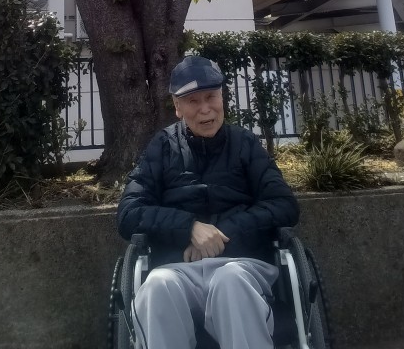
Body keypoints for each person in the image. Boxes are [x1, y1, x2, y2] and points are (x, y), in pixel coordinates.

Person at [117, 55, 299, 349]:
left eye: (211, 97)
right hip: (178, 268)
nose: (205, 109)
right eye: (192, 101)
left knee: (230, 281)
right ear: (177, 107)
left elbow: (284, 205)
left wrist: (222, 232)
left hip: (241, 264)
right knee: (157, 286)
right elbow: (129, 213)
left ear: (222, 98)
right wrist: (189, 228)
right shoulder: (161, 146)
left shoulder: (245, 143)